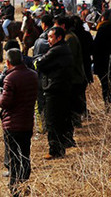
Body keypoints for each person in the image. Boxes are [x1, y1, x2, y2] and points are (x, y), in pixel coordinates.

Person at [0, 48, 38, 196]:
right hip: (27, 122)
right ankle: (24, 185)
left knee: (14, 159)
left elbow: (5, 102)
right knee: (25, 156)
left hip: (12, 123)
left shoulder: (10, 78)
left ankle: (15, 191)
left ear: (8, 62)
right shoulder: (33, 75)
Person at [35, 27, 73, 159]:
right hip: (61, 88)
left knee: (52, 121)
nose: (48, 40)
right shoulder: (64, 48)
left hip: (54, 89)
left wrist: (36, 61)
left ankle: (54, 150)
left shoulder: (56, 50)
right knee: (59, 120)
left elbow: (39, 64)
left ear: (59, 38)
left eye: (51, 37)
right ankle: (59, 148)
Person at [55, 16, 86, 136]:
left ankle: (74, 124)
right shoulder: (68, 37)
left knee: (72, 102)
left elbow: (69, 60)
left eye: (56, 25)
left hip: (74, 77)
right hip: (73, 76)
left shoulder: (70, 39)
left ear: (62, 26)